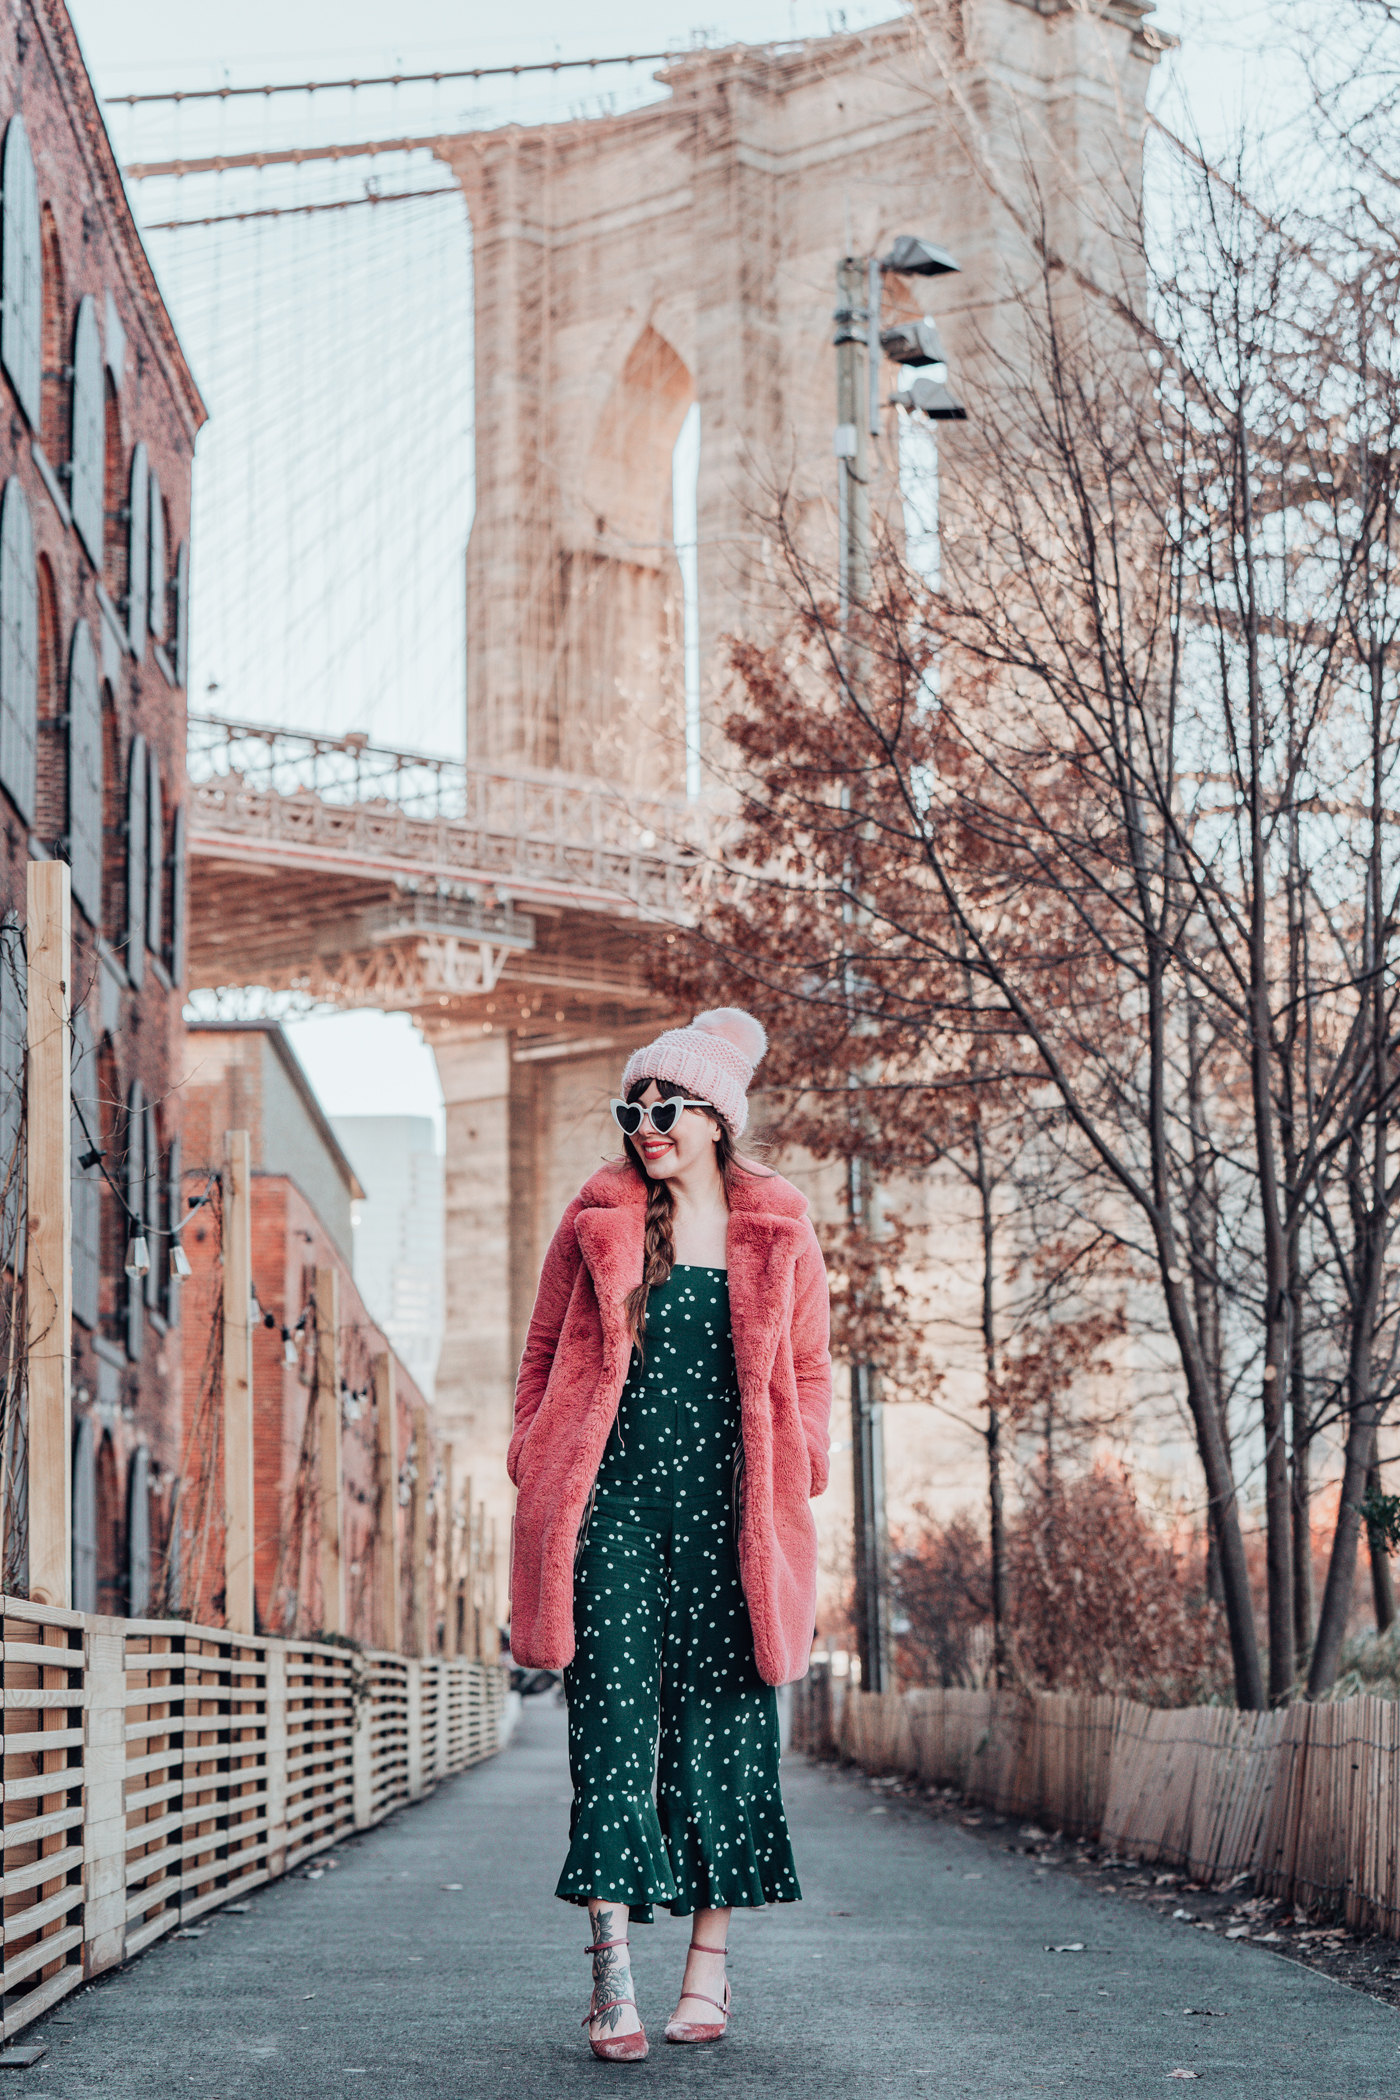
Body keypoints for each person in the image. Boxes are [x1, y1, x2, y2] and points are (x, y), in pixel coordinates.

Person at [508, 1008, 833, 2062]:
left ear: (715, 1118)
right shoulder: (594, 1215)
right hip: (612, 1512)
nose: (646, 1124)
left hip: (734, 1518)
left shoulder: (777, 1224)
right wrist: (532, 1452)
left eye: (666, 1106)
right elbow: (544, 1345)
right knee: (607, 1730)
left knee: (724, 1736)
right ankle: (611, 1982)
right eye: (633, 1107)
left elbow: (813, 1369)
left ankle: (707, 1972)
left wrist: (808, 1462)